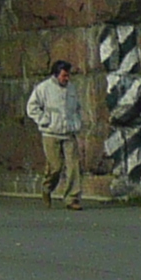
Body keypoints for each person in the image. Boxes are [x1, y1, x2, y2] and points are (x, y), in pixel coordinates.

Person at [23, 58, 88, 209]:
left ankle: (72, 198)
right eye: (64, 75)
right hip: (50, 133)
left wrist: (77, 122)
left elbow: (77, 108)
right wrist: (44, 120)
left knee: (74, 166)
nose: (67, 78)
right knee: (56, 167)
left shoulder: (71, 88)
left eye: (68, 75)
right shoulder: (43, 88)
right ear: (56, 75)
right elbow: (31, 107)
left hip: (68, 133)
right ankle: (47, 187)